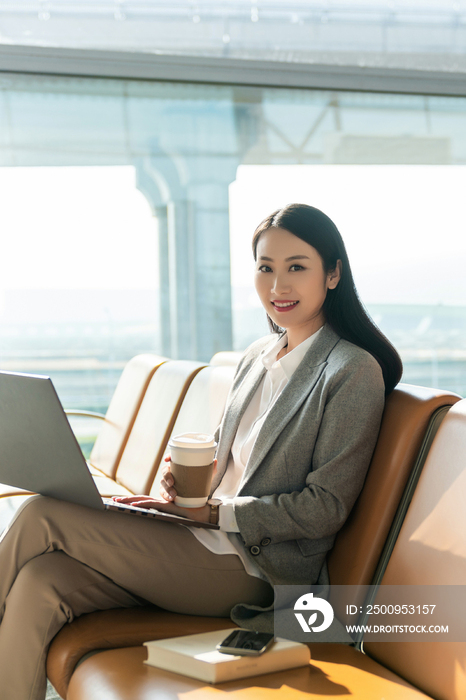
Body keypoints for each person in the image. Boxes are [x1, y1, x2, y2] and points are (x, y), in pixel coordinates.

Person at [0, 203, 402, 700]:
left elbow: (325, 508)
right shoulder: (258, 355)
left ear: (334, 273)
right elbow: (233, 465)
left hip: (256, 570)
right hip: (197, 542)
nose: (278, 286)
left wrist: (216, 513)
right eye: (266, 268)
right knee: (43, 581)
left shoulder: (351, 371)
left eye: (297, 267)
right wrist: (186, 491)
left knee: (42, 514)